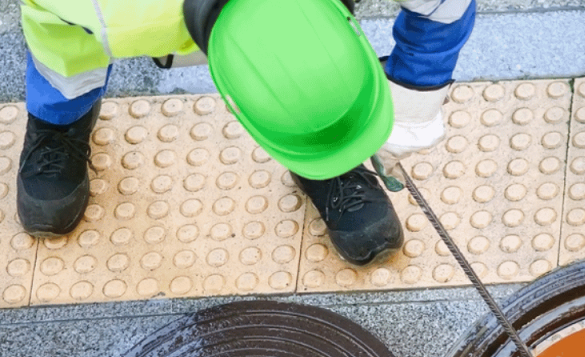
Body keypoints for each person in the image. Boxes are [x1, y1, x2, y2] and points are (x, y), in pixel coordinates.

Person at [18, 0, 474, 266]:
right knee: (65, 53)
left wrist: (416, 92)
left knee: (307, 80)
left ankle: (322, 140)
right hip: (88, 16)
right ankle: (59, 121)